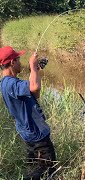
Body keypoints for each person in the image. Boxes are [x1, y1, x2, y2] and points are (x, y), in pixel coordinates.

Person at [0, 46, 56, 179]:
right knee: (48, 171)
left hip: (28, 134)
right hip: (37, 136)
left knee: (34, 169)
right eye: (18, 60)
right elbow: (35, 86)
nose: (20, 63)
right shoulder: (12, 84)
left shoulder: (5, 83)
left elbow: (35, 93)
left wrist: (35, 71)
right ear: (12, 62)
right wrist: (32, 65)